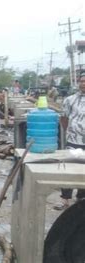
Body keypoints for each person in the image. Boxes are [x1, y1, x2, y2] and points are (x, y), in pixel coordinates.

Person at [54, 73, 85, 210]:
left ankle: (81, 197)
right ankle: (65, 199)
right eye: (82, 81)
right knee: (67, 168)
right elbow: (64, 118)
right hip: (73, 140)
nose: (83, 83)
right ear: (78, 83)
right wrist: (71, 131)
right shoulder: (70, 100)